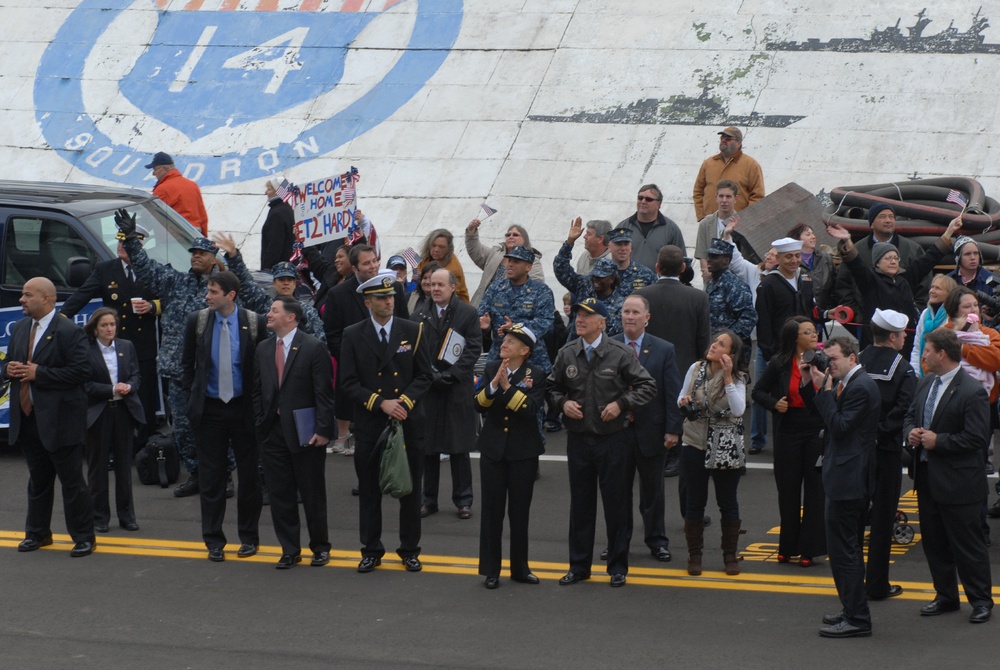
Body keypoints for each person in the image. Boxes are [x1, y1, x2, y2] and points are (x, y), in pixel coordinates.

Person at [546, 298, 657, 588]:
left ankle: (618, 566)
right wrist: (563, 403)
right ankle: (579, 565)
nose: (580, 319)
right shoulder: (567, 353)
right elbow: (551, 388)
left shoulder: (619, 354)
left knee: (616, 504)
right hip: (579, 440)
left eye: (588, 315)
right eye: (579, 315)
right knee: (581, 505)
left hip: (613, 440)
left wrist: (622, 404)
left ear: (602, 322)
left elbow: (648, 386)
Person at [115, 208, 225, 498]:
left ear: (214, 258)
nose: (196, 256)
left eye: (203, 252)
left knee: (215, 429)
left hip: (212, 373)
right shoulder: (177, 282)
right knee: (185, 429)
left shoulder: (222, 288)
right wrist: (129, 239)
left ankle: (223, 476)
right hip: (178, 371)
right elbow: (147, 269)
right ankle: (198, 475)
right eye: (193, 252)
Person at [339, 272, 434, 573]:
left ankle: (409, 549)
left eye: (391, 296)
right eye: (381, 298)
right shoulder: (353, 335)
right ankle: (371, 549)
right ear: (368, 302)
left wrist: (403, 403)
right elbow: (348, 382)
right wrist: (381, 403)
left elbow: (424, 375)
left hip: (407, 421)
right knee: (369, 491)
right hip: (371, 423)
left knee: (410, 490)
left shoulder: (412, 330)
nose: (389, 301)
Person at [904, 328, 993, 624]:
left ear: (942, 354)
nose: (923, 355)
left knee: (967, 545)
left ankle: (980, 600)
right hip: (928, 478)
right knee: (935, 542)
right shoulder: (926, 382)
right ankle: (945, 596)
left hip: (960, 484)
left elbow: (977, 439)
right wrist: (911, 434)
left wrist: (937, 441)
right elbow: (910, 414)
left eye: (927, 350)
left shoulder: (972, 390)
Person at [181, 271, 268, 562]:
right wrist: (190, 404)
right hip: (211, 409)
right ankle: (214, 540)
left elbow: (262, 369)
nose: (208, 296)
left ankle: (249, 537)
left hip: (244, 409)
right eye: (208, 290)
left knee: (249, 476)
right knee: (212, 477)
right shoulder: (199, 321)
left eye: (214, 291)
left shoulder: (255, 323)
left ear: (231, 295)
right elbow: (187, 367)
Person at [6, 277, 95, 557]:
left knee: (71, 482)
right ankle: (38, 533)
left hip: (61, 420)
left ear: (46, 299)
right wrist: (6, 369)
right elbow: (11, 364)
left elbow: (82, 372)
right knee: (38, 480)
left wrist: (39, 373)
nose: (21, 299)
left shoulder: (68, 331)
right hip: (29, 417)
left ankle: (83, 537)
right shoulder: (21, 328)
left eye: (27, 295)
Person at [801, 336, 880, 638]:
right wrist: (815, 384)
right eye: (827, 359)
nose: (829, 364)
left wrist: (824, 391)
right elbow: (820, 415)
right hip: (845, 475)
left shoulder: (859, 387)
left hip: (850, 480)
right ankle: (851, 609)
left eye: (833, 359)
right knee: (846, 549)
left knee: (844, 551)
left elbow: (840, 427)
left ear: (852, 358)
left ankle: (858, 618)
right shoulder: (848, 383)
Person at [252, 296, 335, 569]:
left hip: (305, 432)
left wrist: (323, 429)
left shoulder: (313, 347)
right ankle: (290, 549)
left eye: (275, 310)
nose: (269, 314)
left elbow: (324, 393)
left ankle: (320, 547)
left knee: (312, 493)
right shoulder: (263, 349)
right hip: (272, 432)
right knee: (280, 494)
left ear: (291, 317)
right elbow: (256, 390)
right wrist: (260, 421)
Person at [60, 235, 161, 450]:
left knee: (144, 395)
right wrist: (59, 320)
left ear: (139, 247)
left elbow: (168, 297)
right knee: (113, 395)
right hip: (113, 343)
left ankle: (145, 447)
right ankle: (116, 445)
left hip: (142, 345)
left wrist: (152, 306)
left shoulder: (152, 269)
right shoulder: (105, 269)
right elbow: (82, 295)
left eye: (128, 243)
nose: (121, 246)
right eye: (120, 242)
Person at [476, 325, 546, 589]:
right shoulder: (492, 367)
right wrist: (493, 386)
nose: (505, 344)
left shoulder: (536, 374)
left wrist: (506, 388)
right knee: (492, 512)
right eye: (505, 339)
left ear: (525, 350)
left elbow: (530, 409)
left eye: (512, 341)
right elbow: (478, 404)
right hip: (493, 450)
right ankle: (491, 570)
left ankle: (520, 568)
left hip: (522, 453)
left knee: (519, 513)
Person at [752, 316, 826, 566]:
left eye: (815, 332)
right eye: (808, 332)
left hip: (816, 430)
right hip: (788, 430)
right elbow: (758, 391)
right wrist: (775, 404)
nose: (814, 336)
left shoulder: (823, 361)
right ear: (796, 338)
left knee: (815, 491)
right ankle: (788, 546)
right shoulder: (779, 363)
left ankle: (810, 549)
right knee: (788, 490)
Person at [410, 268, 483, 520]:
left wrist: (451, 375)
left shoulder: (467, 313)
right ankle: (428, 500)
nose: (435, 289)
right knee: (427, 448)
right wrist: (430, 376)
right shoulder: (419, 314)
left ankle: (463, 500)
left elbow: (473, 349)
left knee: (458, 447)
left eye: (441, 284)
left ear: (453, 287)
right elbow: (414, 349)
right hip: (429, 389)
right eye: (432, 285)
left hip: (456, 388)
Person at [827, 218, 959, 357]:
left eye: (896, 258)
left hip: (906, 341)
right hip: (879, 343)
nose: (893, 261)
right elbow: (856, 264)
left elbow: (928, 259)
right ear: (877, 262)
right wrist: (848, 241)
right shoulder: (870, 280)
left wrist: (949, 231)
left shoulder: (905, 278)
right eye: (888, 258)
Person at [322, 244, 409, 453]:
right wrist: (355, 360)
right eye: (366, 263)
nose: (373, 266)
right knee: (368, 440)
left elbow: (405, 328)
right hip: (360, 378)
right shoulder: (338, 294)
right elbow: (333, 336)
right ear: (354, 268)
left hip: (393, 371)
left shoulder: (395, 288)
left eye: (375, 261)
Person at [636, 244, 711, 479]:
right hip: (684, 364)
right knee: (677, 408)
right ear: (682, 268)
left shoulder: (642, 296)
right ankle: (675, 454)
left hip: (647, 363)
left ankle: (649, 452)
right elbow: (703, 337)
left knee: (649, 407)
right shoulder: (698, 297)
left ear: (657, 267)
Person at [677, 330, 748, 576]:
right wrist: (684, 401)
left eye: (721, 344)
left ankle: (730, 555)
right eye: (715, 341)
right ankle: (694, 555)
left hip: (725, 448)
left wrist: (727, 377)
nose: (714, 346)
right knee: (694, 502)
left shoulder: (738, 377)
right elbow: (680, 397)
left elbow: (738, 409)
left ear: (731, 355)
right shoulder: (696, 368)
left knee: (727, 502)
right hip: (694, 443)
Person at [858, 308, 916, 600]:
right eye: (903, 333)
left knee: (853, 518)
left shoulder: (856, 360)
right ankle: (877, 584)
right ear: (892, 336)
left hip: (855, 450)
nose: (905, 337)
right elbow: (904, 409)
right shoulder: (904, 369)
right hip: (887, 450)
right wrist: (882, 431)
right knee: (882, 520)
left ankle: (851, 581)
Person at [83, 307, 145, 534]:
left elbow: (136, 375)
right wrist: (110, 389)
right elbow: (85, 384)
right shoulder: (86, 350)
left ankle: (127, 515)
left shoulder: (126, 347)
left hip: (123, 411)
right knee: (97, 468)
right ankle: (99, 517)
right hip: (99, 412)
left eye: (112, 325)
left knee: (123, 467)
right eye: (104, 325)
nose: (109, 329)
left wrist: (130, 386)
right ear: (95, 328)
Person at [832, 202, 932, 331]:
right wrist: (857, 313)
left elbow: (924, 285)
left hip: (905, 325)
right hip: (869, 324)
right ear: (872, 223)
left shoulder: (912, 249)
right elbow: (843, 284)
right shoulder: (858, 250)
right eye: (882, 216)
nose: (888, 220)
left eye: (891, 217)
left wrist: (914, 313)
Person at [214, 233, 326, 343]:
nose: (286, 283)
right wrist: (234, 256)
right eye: (282, 280)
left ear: (295, 283)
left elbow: (318, 343)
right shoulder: (264, 305)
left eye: (289, 280)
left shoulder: (307, 311)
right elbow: (245, 283)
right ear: (274, 283)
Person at [478, 245, 555, 375]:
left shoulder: (541, 291)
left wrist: (517, 328)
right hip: (499, 354)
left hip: (532, 358)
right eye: (510, 261)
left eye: (516, 262)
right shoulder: (495, 288)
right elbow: (482, 314)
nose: (510, 265)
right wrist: (485, 326)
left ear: (528, 267)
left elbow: (546, 322)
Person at [554, 222, 628, 336]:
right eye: (594, 276)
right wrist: (569, 242)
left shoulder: (621, 302)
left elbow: (615, 331)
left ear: (612, 279)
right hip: (576, 347)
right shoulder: (585, 285)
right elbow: (561, 269)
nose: (596, 280)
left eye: (601, 277)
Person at [465, 220, 545, 307]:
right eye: (508, 235)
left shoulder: (533, 261)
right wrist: (471, 231)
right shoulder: (495, 253)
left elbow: (536, 288)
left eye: (515, 235)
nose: (510, 237)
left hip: (507, 312)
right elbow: (476, 251)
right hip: (480, 307)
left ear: (525, 239)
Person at [692, 127, 765, 221]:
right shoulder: (708, 163)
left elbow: (758, 196)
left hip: (737, 224)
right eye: (722, 138)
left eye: (728, 138)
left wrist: (746, 220)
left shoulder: (751, 165)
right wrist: (702, 216)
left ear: (739, 143)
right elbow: (698, 191)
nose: (723, 140)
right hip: (711, 222)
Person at [704, 238, 756, 357]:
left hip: (732, 353)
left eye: (714, 257)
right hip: (715, 348)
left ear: (726, 261)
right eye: (709, 256)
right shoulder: (712, 284)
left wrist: (728, 339)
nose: (709, 260)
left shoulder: (735, 285)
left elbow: (749, 318)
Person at [615, 184, 685, 272]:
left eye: (649, 199)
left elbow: (681, 259)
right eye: (640, 198)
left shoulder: (671, 230)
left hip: (658, 284)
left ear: (658, 204)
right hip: (627, 283)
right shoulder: (623, 227)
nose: (643, 201)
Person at [145, 151, 209, 236]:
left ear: (165, 168)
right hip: (195, 236)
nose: (153, 173)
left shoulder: (163, 189)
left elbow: (151, 216)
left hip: (173, 240)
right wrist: (203, 238)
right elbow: (202, 216)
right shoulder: (193, 185)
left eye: (155, 169)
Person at [694, 180, 741, 284]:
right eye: (721, 196)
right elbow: (702, 254)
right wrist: (707, 272)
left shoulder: (742, 223)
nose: (724, 200)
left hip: (736, 280)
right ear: (716, 198)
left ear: (735, 199)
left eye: (728, 196)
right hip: (712, 281)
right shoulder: (705, 224)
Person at [911, 274, 958, 376]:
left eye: (938, 288)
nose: (932, 291)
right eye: (932, 287)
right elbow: (917, 346)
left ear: (949, 293)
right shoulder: (924, 314)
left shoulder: (952, 316)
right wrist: (915, 373)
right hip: (922, 374)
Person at [788, 222, 836, 317]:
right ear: (798, 239)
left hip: (825, 314)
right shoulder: (791, 263)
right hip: (800, 316)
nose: (813, 237)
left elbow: (835, 286)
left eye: (813, 234)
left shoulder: (826, 259)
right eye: (808, 234)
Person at [416, 229, 469, 303]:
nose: (436, 250)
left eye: (441, 247)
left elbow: (447, 295)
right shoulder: (426, 258)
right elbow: (417, 271)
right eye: (433, 245)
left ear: (448, 249)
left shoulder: (453, 270)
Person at [605, 227, 656, 295]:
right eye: (618, 244)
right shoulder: (602, 274)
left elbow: (654, 299)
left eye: (626, 244)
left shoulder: (645, 274)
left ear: (631, 247)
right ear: (609, 247)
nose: (623, 248)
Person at [259, 178, 295, 271]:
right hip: (287, 267)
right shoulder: (287, 209)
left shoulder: (277, 214)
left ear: (278, 192)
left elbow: (274, 247)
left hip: (277, 271)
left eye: (269, 189)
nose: (266, 192)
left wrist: (267, 269)